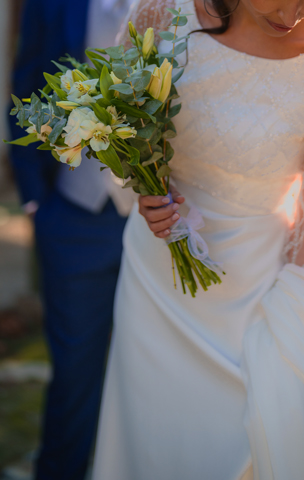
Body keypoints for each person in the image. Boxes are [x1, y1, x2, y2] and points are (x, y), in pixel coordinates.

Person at [92, 0, 304, 479]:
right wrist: (143, 189)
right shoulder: (160, 15)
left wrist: (295, 347)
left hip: (253, 302)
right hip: (154, 283)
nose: (292, 11)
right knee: (146, 444)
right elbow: (117, 131)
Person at [8, 0, 134, 479]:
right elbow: (25, 90)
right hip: (73, 216)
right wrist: (37, 203)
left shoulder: (190, 6)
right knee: (75, 375)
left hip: (163, 220)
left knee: (153, 368)